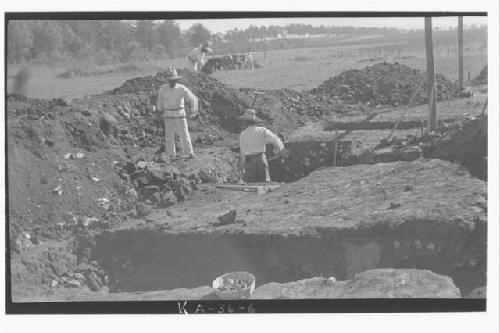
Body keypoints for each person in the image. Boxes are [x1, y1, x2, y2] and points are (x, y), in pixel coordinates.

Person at [155, 67, 198, 161]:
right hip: (168, 115)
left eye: (173, 80)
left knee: (184, 134)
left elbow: (193, 99)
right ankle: (170, 155)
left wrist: (193, 111)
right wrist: (159, 111)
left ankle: (189, 152)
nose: (172, 82)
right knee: (169, 136)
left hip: (180, 114)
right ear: (167, 80)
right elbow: (159, 101)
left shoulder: (181, 88)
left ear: (177, 80)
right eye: (170, 80)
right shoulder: (163, 89)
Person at [237, 109, 284, 183]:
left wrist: (243, 165)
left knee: (250, 184)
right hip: (261, 159)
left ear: (246, 122)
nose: (243, 123)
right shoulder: (263, 130)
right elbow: (275, 140)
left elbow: (242, 152)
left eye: (244, 121)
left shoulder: (243, 134)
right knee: (264, 183)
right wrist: (280, 150)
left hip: (249, 161)